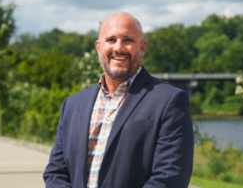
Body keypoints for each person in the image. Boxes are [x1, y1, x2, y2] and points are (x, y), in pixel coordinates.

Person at [43, 12, 194, 188]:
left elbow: (170, 177)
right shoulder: (72, 105)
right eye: (111, 40)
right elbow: (56, 172)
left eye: (128, 40)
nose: (119, 48)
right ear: (99, 46)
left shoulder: (169, 100)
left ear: (142, 46)